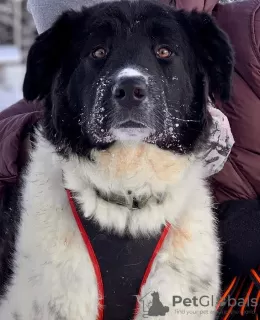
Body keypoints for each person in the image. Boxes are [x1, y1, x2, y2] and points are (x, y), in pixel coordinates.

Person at [0, 0, 259, 319]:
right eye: (99, 53)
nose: (131, 82)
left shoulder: (242, 29)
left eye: (163, 53)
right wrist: (29, 135)